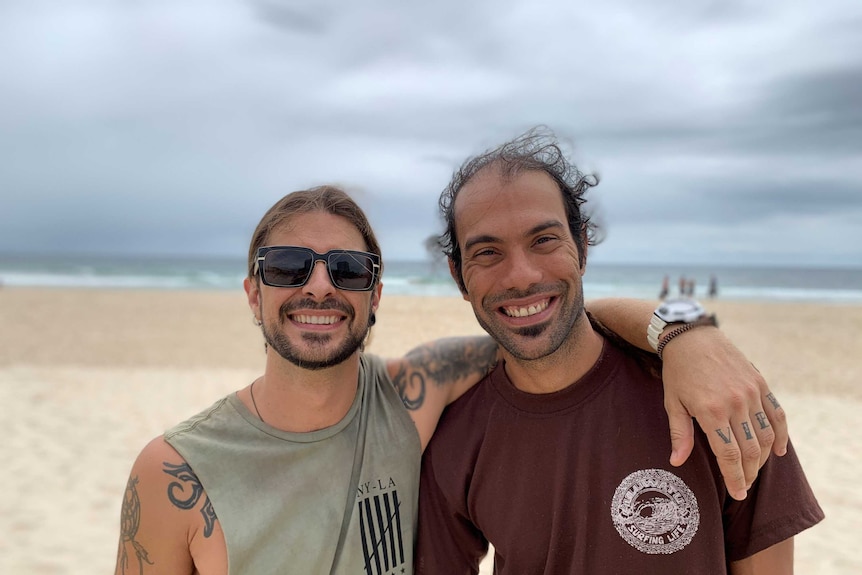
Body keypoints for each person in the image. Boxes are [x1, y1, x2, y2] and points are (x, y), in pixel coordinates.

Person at [115, 186, 788, 575]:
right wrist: (689, 329)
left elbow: (551, 327)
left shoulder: (418, 392)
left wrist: (685, 332)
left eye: (346, 268)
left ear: (375, 295)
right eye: (288, 265)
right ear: (253, 291)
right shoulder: (176, 471)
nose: (319, 285)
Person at [415, 129, 823, 574]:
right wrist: (682, 327)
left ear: (582, 247)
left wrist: (686, 331)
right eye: (488, 251)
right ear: (458, 277)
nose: (521, 275)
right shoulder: (452, 435)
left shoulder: (718, 395)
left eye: (544, 240)